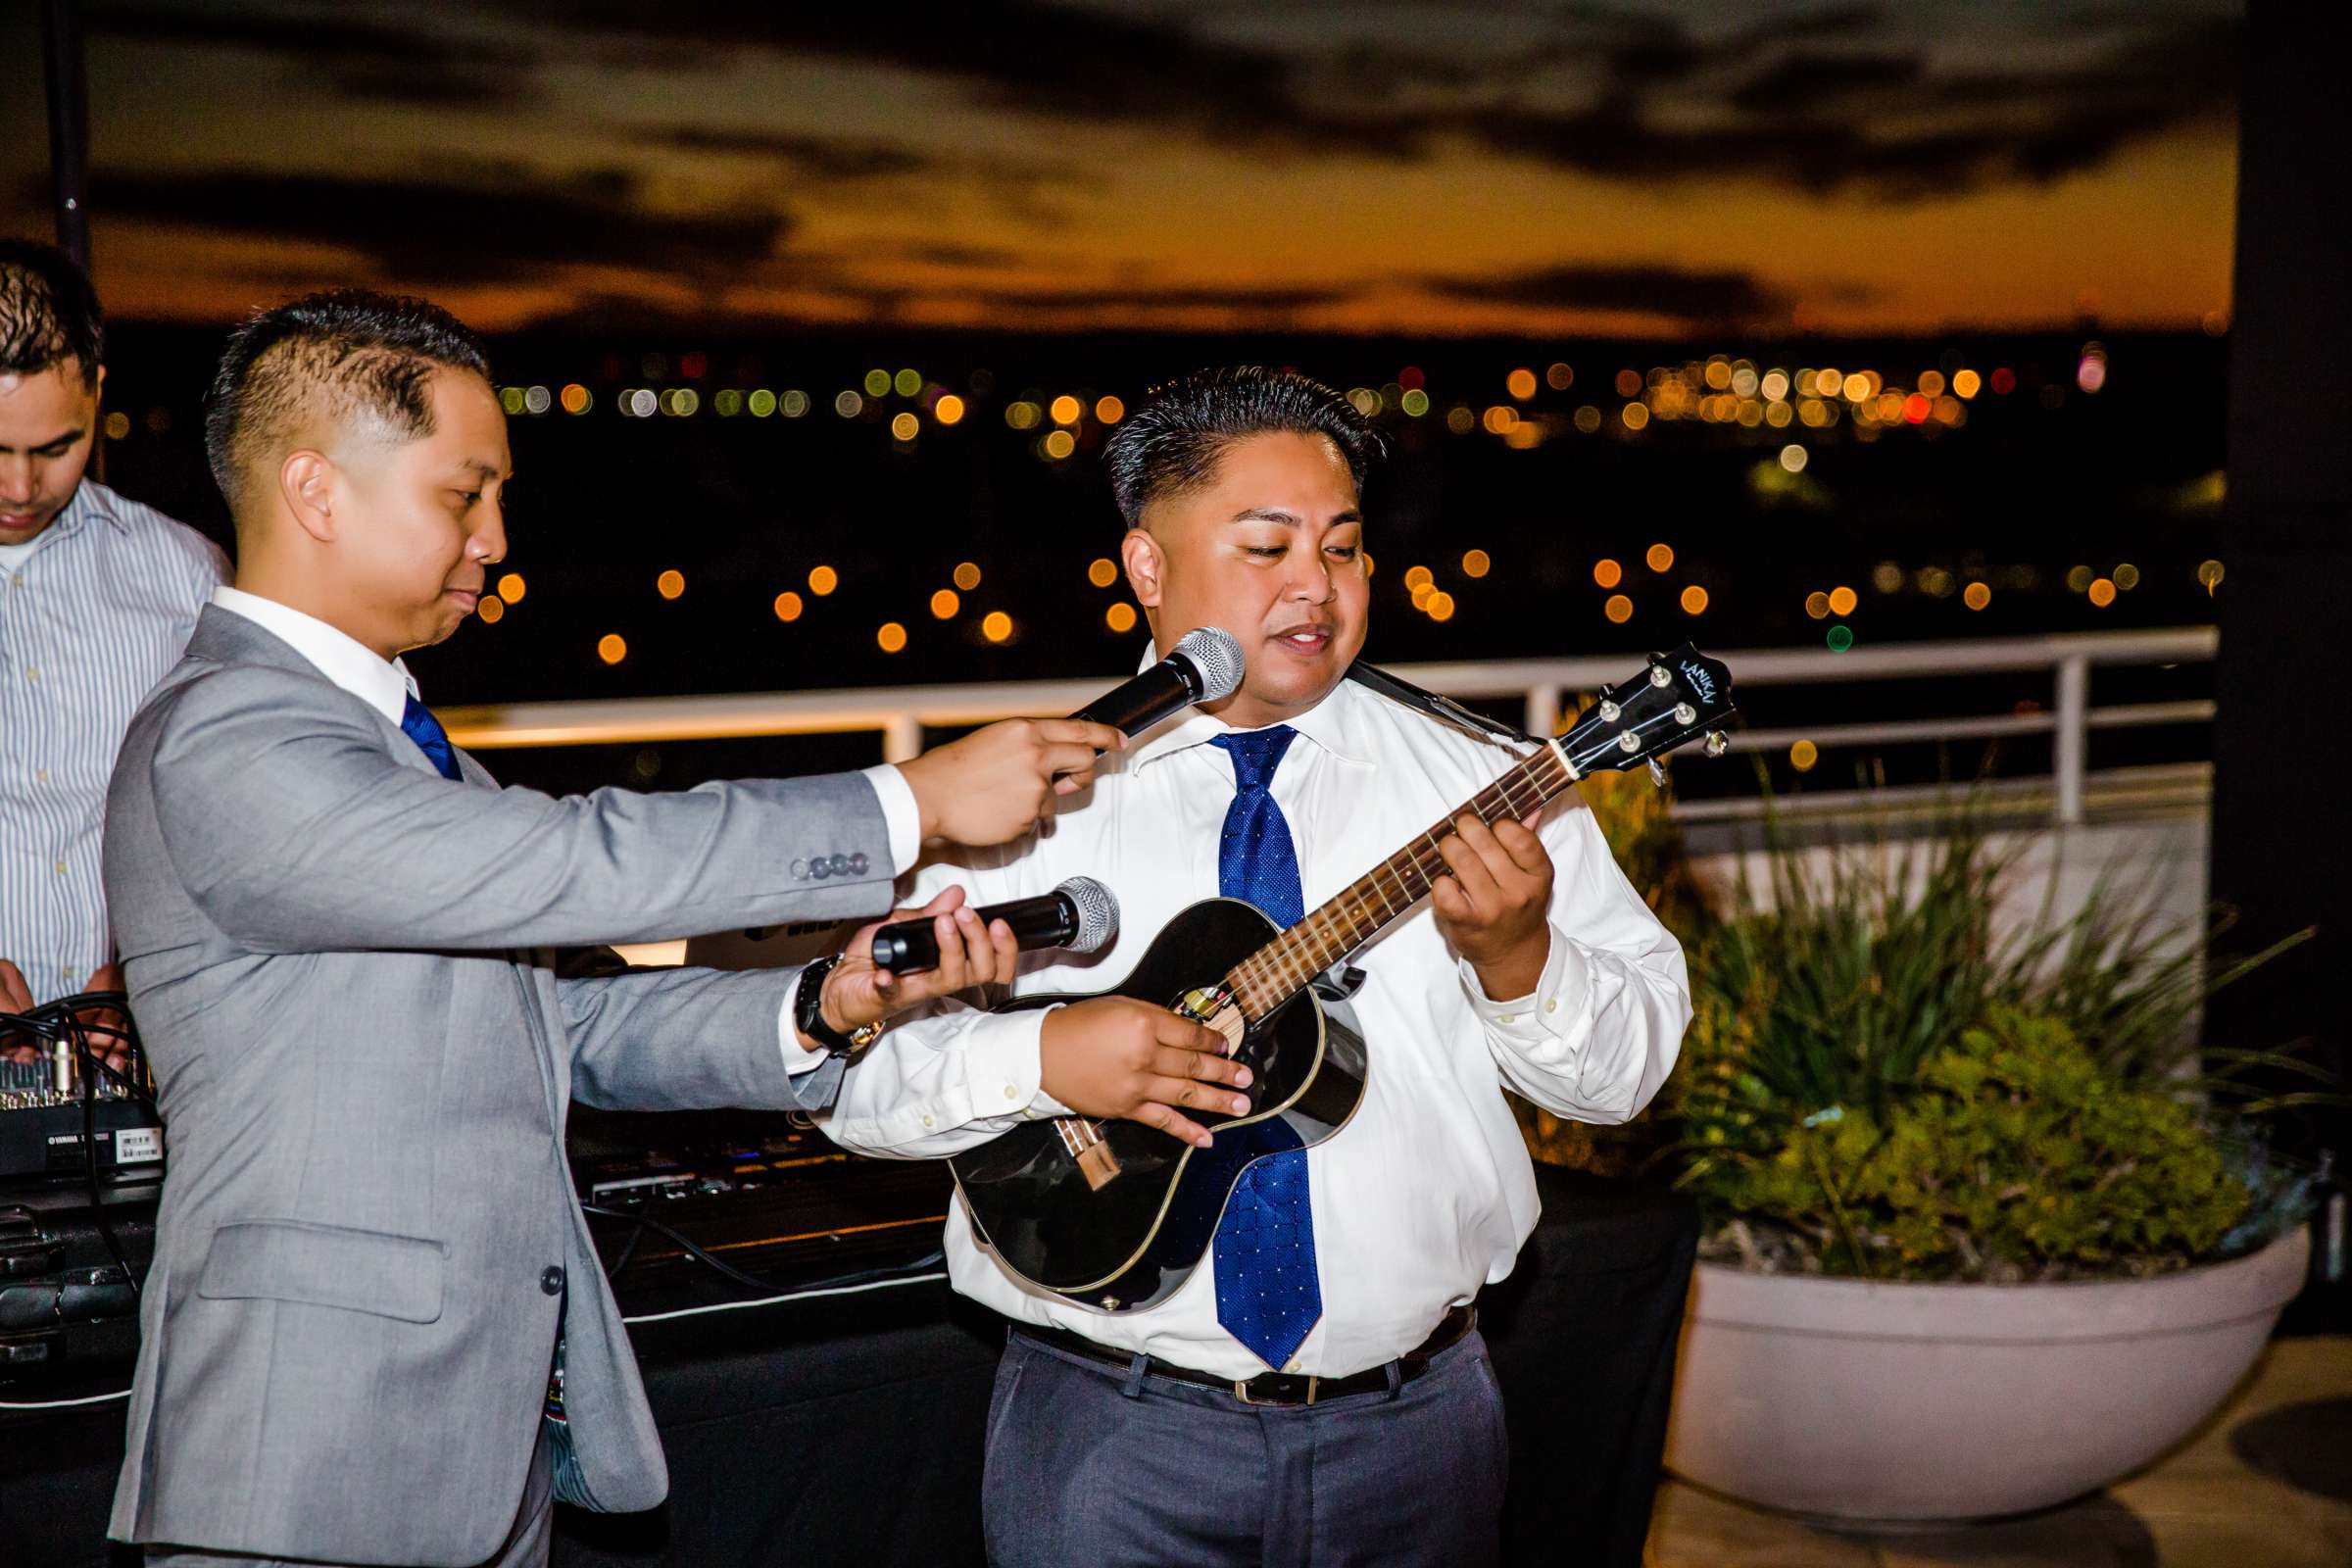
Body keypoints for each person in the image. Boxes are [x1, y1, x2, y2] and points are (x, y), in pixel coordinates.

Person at [102, 289, 1236, 1568]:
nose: (497, 538)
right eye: (462, 495)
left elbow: (566, 1026)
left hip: (472, 1448)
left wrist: (826, 1003)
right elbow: (564, 860)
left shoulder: (405, 761)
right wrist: (905, 800)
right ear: (317, 493)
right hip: (303, 1460)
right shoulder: (227, 738)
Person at [819, 368, 1692, 1566]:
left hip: (1422, 1427)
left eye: (1342, 548)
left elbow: (1628, 1077)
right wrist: (1044, 1057)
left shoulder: (1486, 785)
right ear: (1146, 568)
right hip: (1108, 1436)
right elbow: (851, 1083)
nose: (1314, 587)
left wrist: (1519, 957)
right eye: (1265, 546)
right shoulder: (1018, 799)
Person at [0, 239, 224, 1056]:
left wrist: (153, 959)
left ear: (99, 394)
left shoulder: (188, 576)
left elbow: (230, 813)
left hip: (140, 1068)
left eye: (56, 447)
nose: (21, 488)